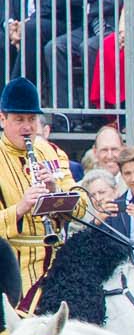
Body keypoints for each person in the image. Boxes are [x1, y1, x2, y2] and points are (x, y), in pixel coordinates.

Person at [0, 77, 77, 290]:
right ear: (2, 119)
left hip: (56, 263)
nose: (27, 127)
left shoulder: (51, 151)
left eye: (32, 119)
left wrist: (56, 192)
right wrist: (20, 209)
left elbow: (82, 206)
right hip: (11, 270)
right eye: (19, 119)